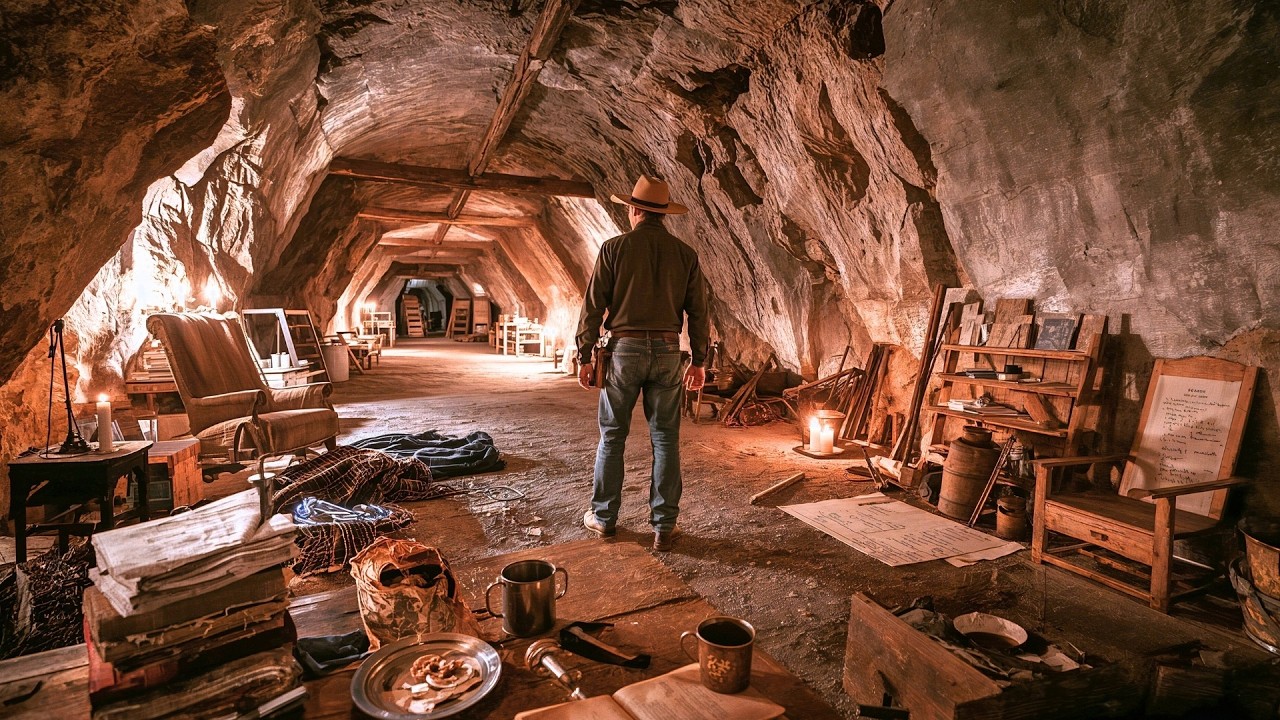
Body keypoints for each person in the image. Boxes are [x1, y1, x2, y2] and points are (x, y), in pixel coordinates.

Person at [576, 174, 709, 552]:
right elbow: (699, 313)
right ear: (663, 214)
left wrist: (584, 355)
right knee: (665, 439)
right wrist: (699, 361)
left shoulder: (614, 248)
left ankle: (604, 519)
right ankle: (664, 527)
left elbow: (593, 306)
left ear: (634, 210)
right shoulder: (685, 254)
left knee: (613, 435)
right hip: (668, 352)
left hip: (624, 351)